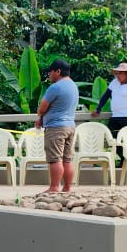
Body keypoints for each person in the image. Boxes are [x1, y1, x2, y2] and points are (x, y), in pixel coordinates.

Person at [36, 59, 79, 193]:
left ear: (58, 71)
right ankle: (67, 188)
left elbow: (42, 107)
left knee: (55, 159)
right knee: (67, 159)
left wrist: (40, 115)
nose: (49, 75)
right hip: (70, 126)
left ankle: (54, 187)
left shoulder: (56, 87)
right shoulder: (73, 86)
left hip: (56, 128)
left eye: (50, 72)